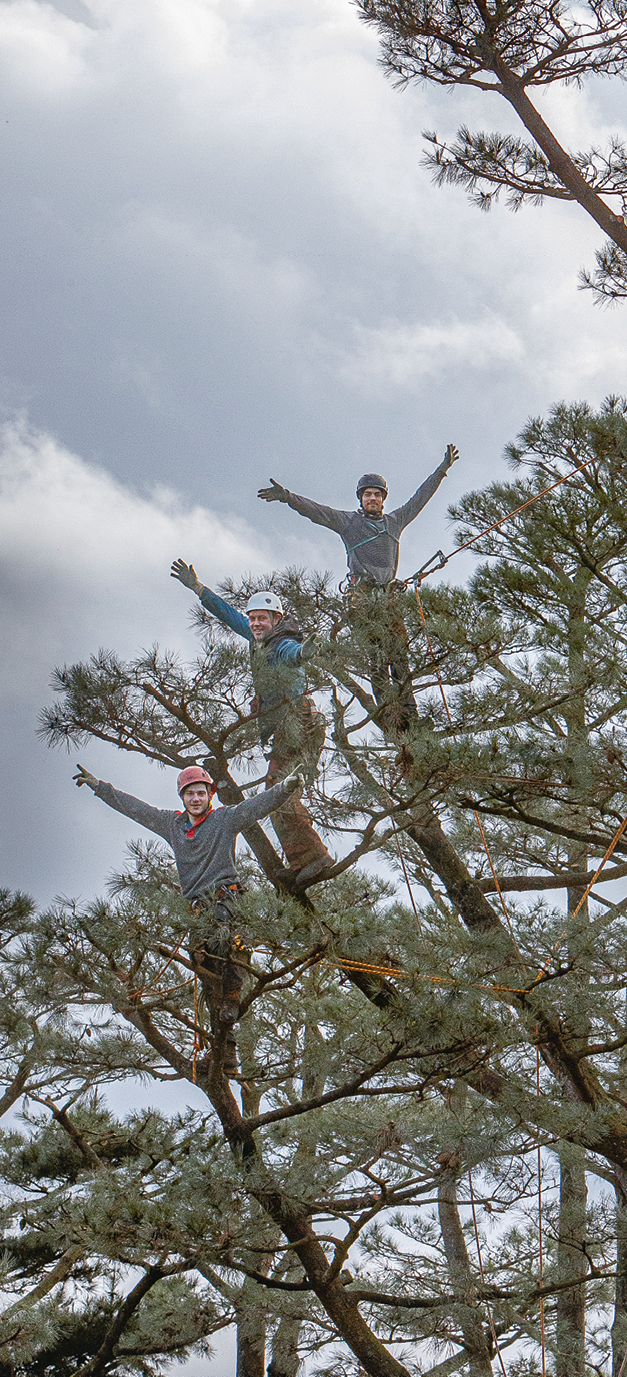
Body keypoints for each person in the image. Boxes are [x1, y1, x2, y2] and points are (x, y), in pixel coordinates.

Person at [74, 763, 303, 1072]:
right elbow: (136, 809)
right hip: (198, 911)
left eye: (201, 793)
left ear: (210, 794)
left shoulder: (224, 818)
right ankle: (226, 1051)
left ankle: (233, 996)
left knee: (228, 944)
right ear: (182, 797)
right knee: (205, 970)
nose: (196, 798)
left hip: (228, 900)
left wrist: (286, 787)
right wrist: (100, 787)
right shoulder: (173, 826)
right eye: (190, 794)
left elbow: (255, 807)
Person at [256, 448, 458, 732]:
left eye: (377, 494)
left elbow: (419, 499)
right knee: (377, 661)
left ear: (383, 499)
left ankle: (411, 721)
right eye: (367, 495)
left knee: (400, 659)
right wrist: (288, 497)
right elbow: (318, 512)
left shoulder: (394, 522)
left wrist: (441, 470)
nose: (372, 498)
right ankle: (392, 719)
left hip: (389, 597)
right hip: (362, 598)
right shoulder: (349, 522)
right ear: (361, 499)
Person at [169, 563, 331, 878]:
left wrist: (305, 653)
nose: (256, 623)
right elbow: (229, 615)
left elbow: (292, 654)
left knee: (280, 788)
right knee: (280, 790)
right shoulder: (254, 637)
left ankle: (314, 858)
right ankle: (302, 861)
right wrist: (199, 589)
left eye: (262, 619)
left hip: (299, 724)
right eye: (253, 618)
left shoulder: (281, 643)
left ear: (277, 620)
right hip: (284, 727)